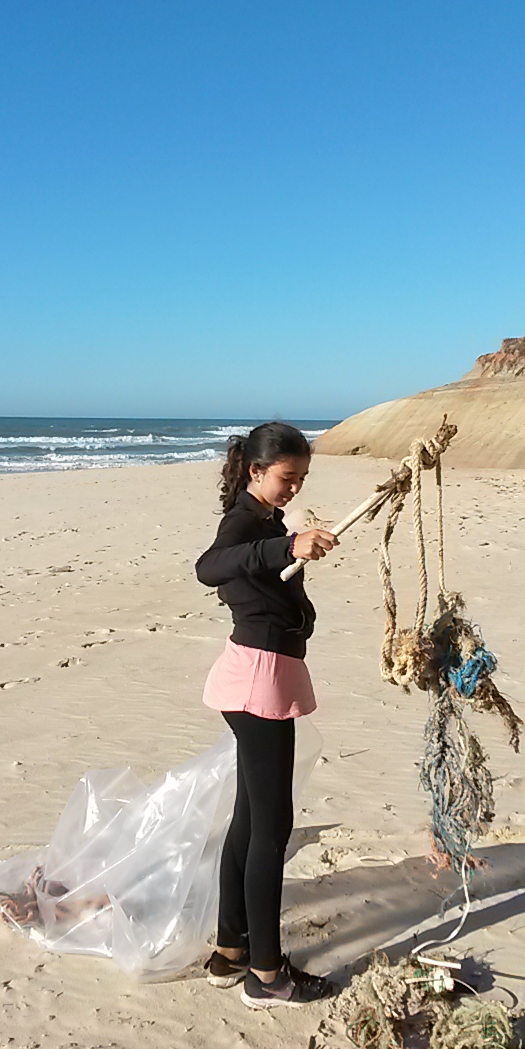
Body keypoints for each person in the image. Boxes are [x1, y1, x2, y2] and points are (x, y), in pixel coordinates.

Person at [195, 422, 338, 1009]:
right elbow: (209, 567)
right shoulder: (245, 520)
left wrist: (292, 542)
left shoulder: (267, 519)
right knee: (271, 830)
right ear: (256, 471)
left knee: (250, 822)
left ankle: (230, 951)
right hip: (260, 678)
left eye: (302, 478)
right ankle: (267, 975)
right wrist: (288, 547)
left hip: (261, 671)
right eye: (286, 477)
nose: (294, 487)